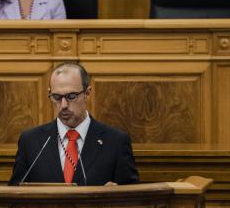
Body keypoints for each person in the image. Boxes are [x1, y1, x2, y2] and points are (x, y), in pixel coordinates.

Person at [9, 62, 138, 186]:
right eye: (57, 97)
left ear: (87, 93)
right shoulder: (31, 141)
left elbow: (133, 198)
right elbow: (13, 195)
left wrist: (115, 195)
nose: (63, 105)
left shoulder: (116, 142)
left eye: (71, 96)